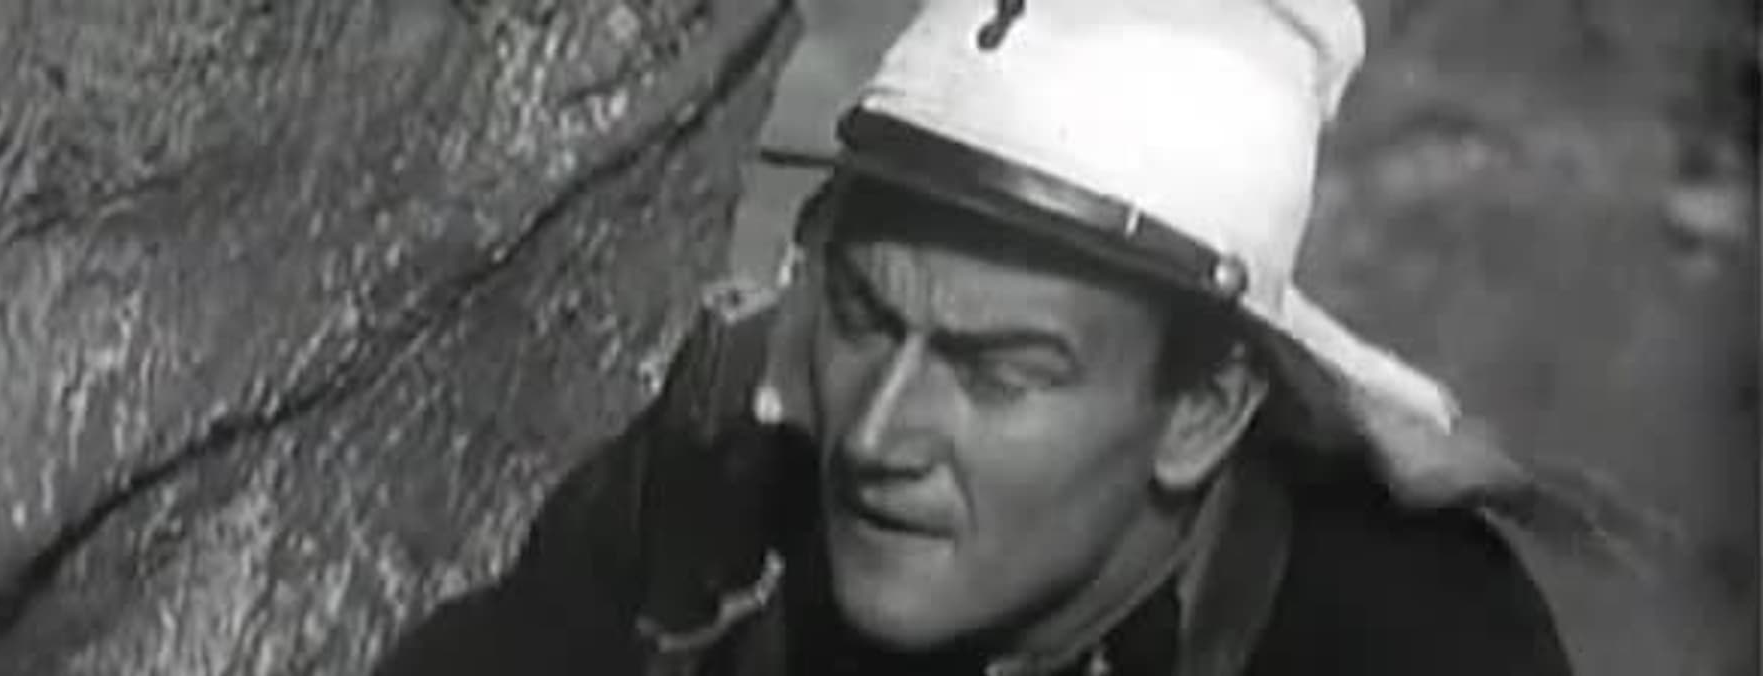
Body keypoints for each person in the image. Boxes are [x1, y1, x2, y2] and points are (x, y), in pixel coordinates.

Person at [375, 0, 1608, 673]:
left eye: (997, 370)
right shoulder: (729, 469)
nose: (878, 433)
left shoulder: (1406, 640)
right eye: (864, 318)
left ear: (1201, 410)